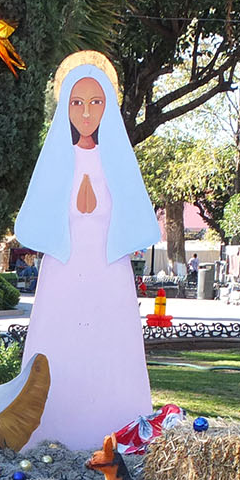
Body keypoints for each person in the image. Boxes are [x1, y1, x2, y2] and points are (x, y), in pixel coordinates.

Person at [13, 50, 160, 451]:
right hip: (63, 267)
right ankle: (49, 430)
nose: (86, 112)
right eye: (77, 102)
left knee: (109, 347)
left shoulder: (118, 161)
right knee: (60, 345)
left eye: (96, 102)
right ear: (65, 107)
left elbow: (131, 210)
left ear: (107, 106)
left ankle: (118, 430)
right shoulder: (56, 159)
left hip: (108, 267)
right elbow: (40, 212)